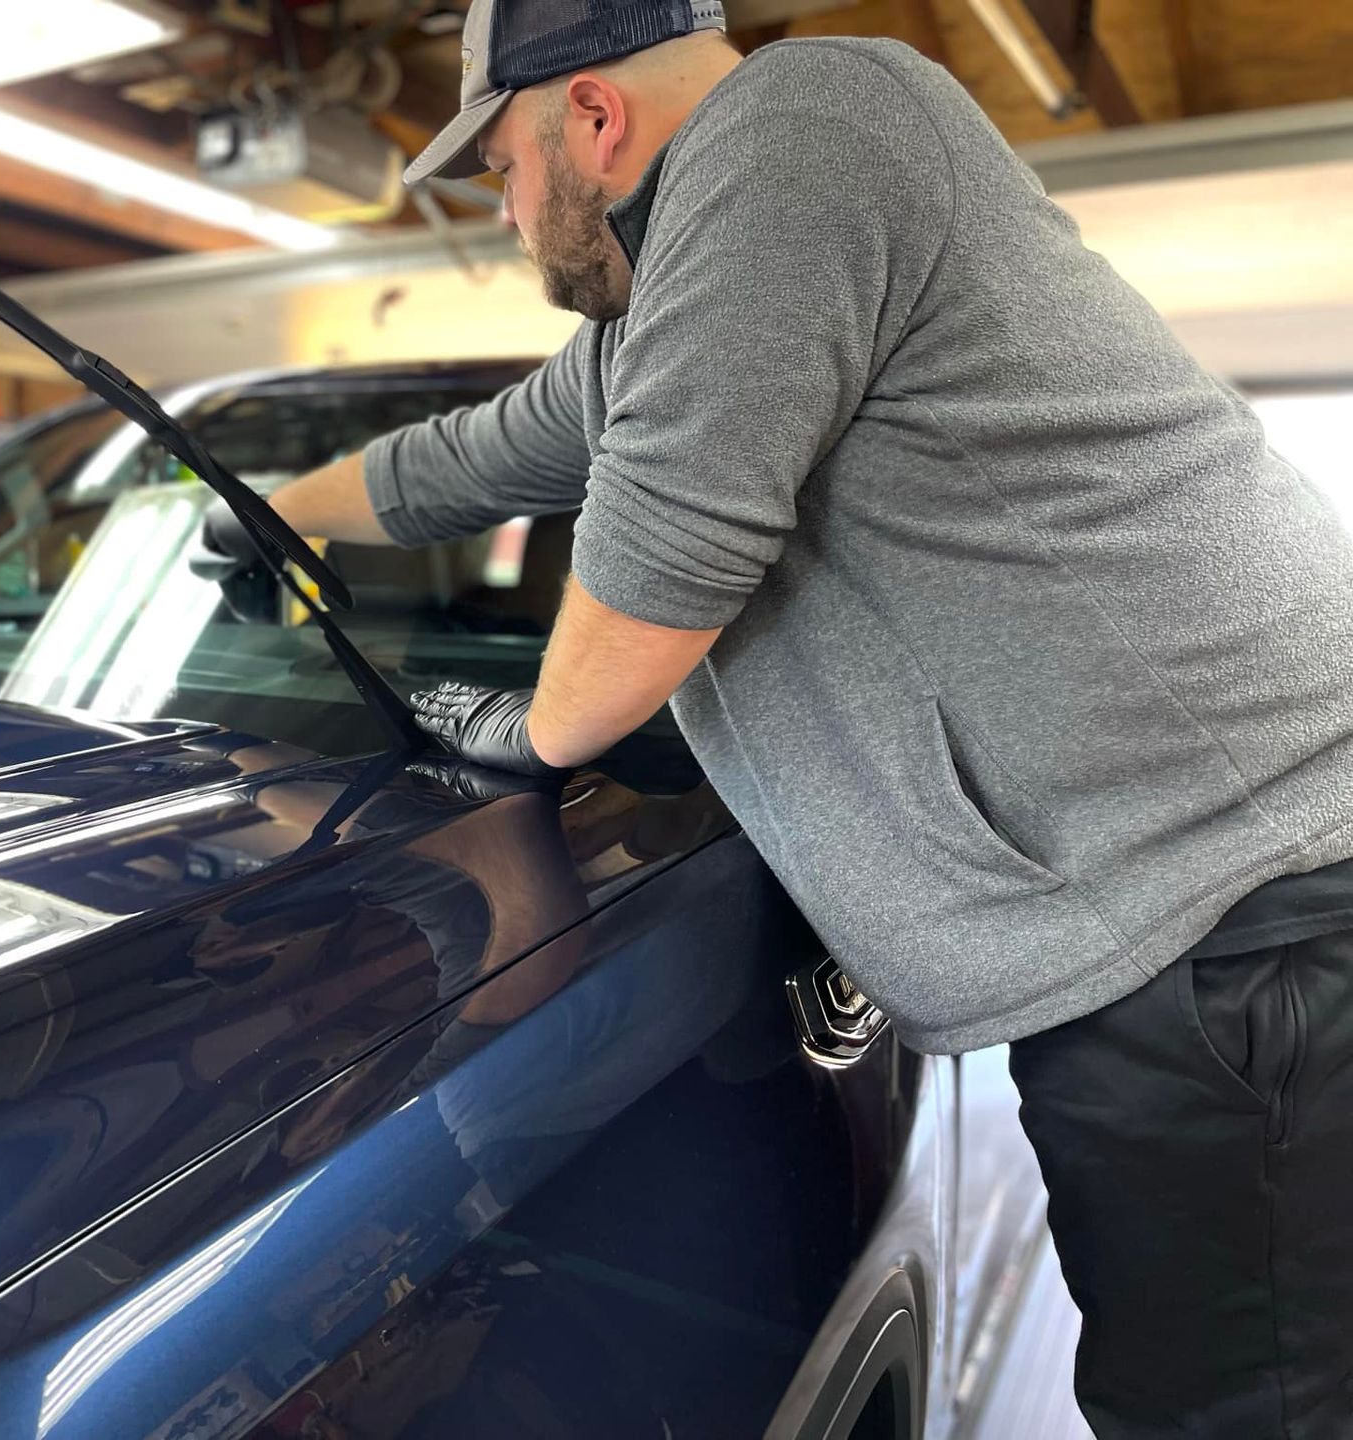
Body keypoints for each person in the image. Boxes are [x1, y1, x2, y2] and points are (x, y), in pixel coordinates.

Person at [189, 0, 1353, 1433]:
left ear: (591, 117)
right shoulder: (676, 299)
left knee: (1241, 1410)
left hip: (1245, 921)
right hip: (1189, 917)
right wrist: (265, 514)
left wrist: (515, 729)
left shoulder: (800, 131)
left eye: (500, 168)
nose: (504, 211)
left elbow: (651, 582)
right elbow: (471, 460)